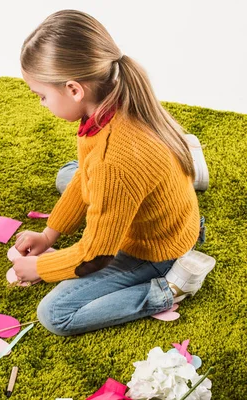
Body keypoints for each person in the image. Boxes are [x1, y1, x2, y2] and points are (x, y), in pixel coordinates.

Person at [12, 10, 215, 336]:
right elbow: (85, 178)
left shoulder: (113, 163)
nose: (42, 104)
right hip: (163, 202)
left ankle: (171, 288)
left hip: (156, 251)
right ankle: (187, 163)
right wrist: (50, 234)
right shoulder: (114, 98)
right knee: (69, 174)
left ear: (74, 89)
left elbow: (96, 255)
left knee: (55, 314)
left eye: (42, 96)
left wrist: (40, 267)